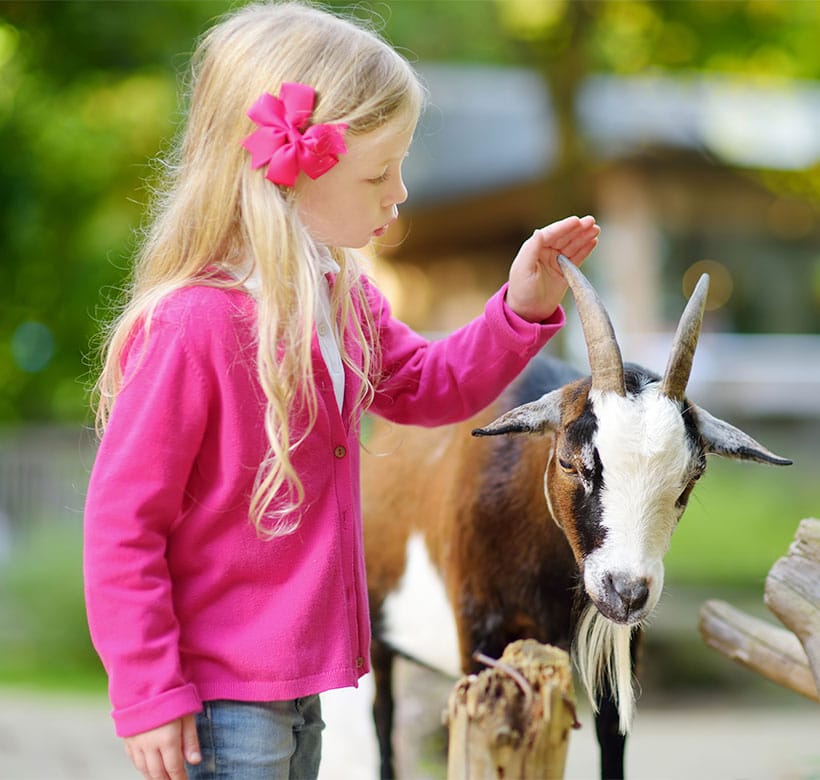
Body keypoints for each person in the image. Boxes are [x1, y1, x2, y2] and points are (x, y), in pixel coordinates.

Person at [83, 2, 600, 779]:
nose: (398, 193)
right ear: (294, 170)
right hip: (220, 705)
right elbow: (122, 525)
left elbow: (432, 386)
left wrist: (520, 306)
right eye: (378, 172)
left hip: (299, 691)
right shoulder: (193, 325)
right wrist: (149, 691)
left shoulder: (341, 301)